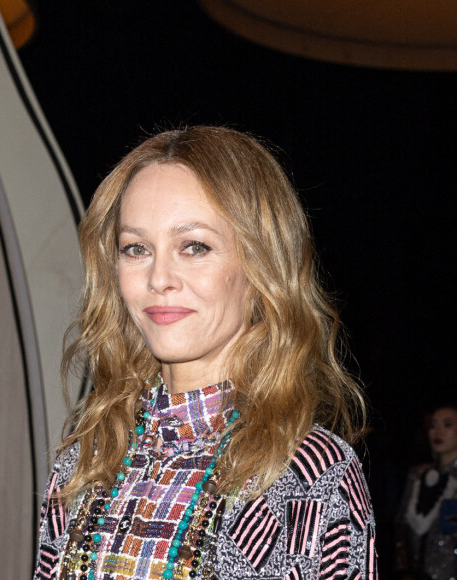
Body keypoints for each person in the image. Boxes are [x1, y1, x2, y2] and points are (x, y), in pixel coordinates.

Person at [33, 126, 377, 580]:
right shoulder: (85, 461)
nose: (159, 278)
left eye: (194, 247)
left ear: (260, 267)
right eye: (136, 249)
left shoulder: (311, 474)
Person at [396, 404, 457, 580]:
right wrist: (404, 570)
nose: (437, 431)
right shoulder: (418, 474)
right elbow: (400, 526)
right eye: (433, 425)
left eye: (447, 425)